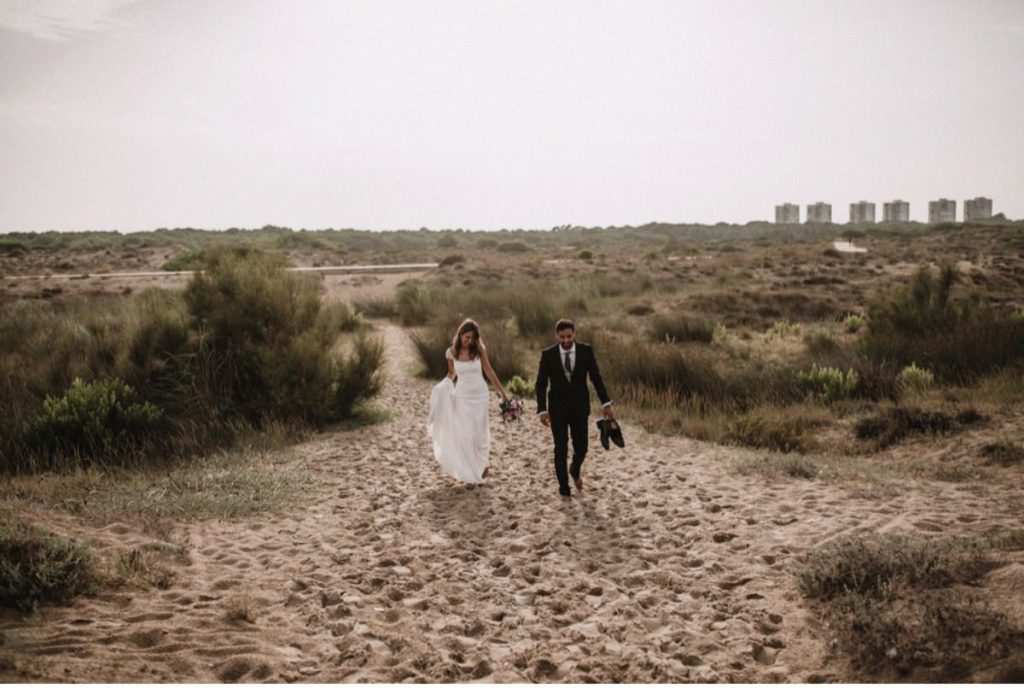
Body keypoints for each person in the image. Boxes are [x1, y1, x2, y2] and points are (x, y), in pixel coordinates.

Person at [535, 319, 614, 497]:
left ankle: (575, 468)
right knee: (560, 448)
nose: (565, 340)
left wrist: (606, 403)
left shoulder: (586, 351)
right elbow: (541, 384)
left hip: (580, 407)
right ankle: (564, 488)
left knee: (582, 447)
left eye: (568, 336)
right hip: (557, 409)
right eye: (561, 337)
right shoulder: (548, 355)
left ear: (574, 334)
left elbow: (596, 378)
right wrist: (542, 410)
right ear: (556, 336)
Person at [427, 319, 509, 485]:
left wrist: (502, 392)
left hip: (480, 395)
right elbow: (452, 373)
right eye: (466, 337)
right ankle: (472, 472)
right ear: (460, 335)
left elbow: (488, 370)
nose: (469, 341)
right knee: (465, 434)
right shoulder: (451, 352)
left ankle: (483, 464)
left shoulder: (479, 350)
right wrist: (443, 387)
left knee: (480, 434)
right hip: (462, 396)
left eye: (472, 338)